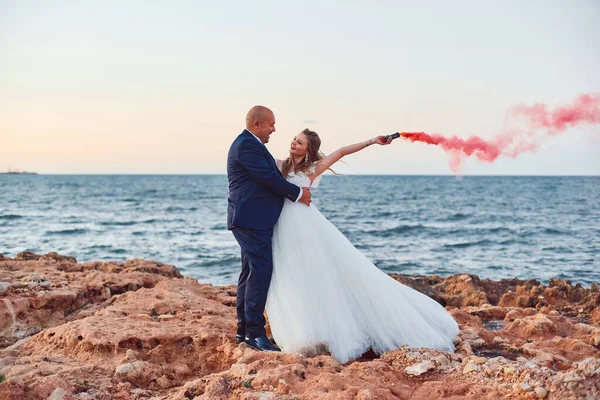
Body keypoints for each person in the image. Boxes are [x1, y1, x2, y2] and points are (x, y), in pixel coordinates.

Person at [266, 128, 459, 363]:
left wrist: (373, 141)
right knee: (290, 275)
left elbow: (342, 151)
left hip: (305, 227)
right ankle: (302, 330)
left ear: (309, 150)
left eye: (300, 142)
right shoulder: (278, 164)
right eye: (294, 139)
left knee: (315, 274)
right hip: (282, 226)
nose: (294, 143)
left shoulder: (311, 170)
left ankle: (322, 332)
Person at [227, 106, 311, 352]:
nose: (274, 129)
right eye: (271, 124)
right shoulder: (246, 145)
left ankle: (244, 331)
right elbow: (267, 177)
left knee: (249, 272)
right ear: (257, 125)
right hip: (251, 220)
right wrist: (297, 194)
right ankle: (254, 334)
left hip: (251, 219)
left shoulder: (251, 144)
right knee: (261, 270)